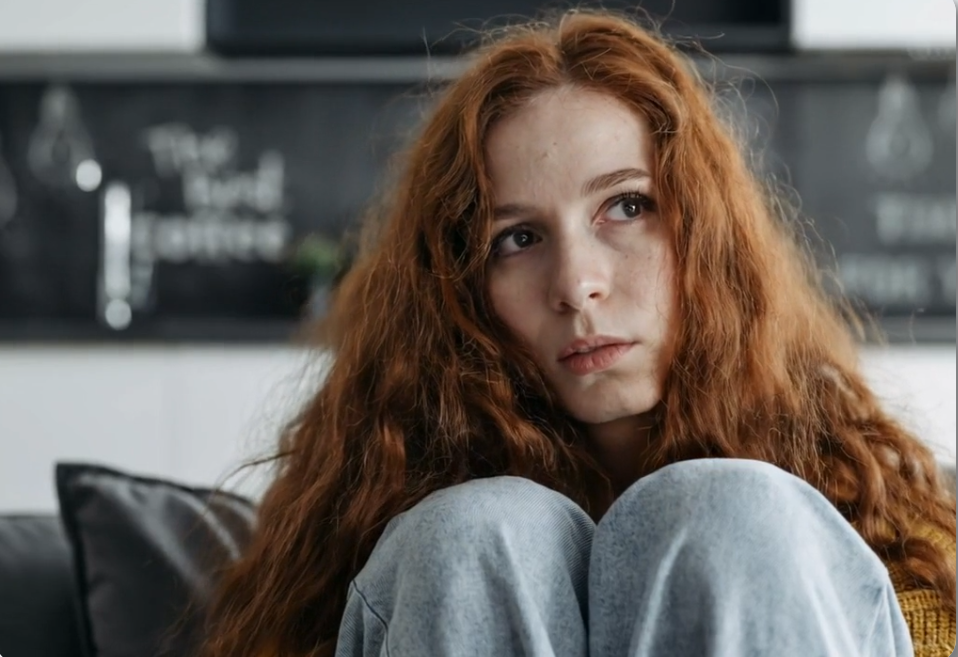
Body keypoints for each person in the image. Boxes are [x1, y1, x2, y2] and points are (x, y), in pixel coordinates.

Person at [200, 10, 956, 657]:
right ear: (460, 290)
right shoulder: (389, 507)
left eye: (627, 207)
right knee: (473, 535)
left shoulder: (870, 495)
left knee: (730, 512)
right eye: (517, 239)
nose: (575, 284)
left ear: (708, 234)